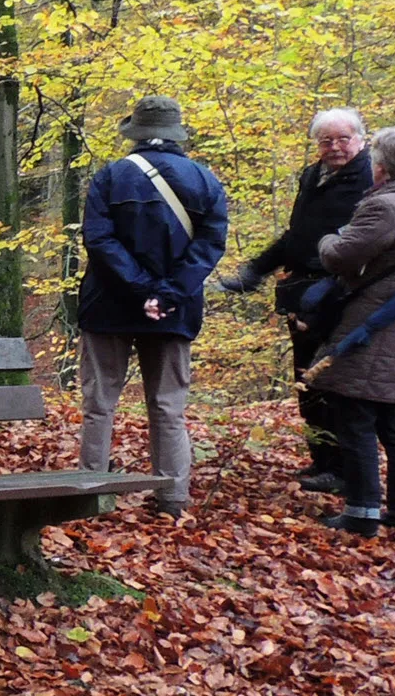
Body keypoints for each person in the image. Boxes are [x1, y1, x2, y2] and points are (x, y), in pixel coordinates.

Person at [77, 96, 229, 519]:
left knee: (99, 403)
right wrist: (165, 294)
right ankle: (173, 498)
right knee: (167, 406)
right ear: (177, 132)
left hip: (107, 305)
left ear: (135, 133)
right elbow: (209, 247)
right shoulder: (205, 181)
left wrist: (141, 289)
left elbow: (99, 240)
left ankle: (91, 490)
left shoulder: (110, 177)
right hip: (173, 312)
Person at [219, 109, 372, 492]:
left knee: (332, 381)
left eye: (342, 139)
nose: (334, 147)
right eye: (325, 140)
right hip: (302, 295)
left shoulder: (370, 180)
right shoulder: (312, 176)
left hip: (340, 295)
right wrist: (256, 269)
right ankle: (322, 461)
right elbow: (297, 236)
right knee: (307, 381)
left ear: (361, 139)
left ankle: (341, 469)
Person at [309, 124, 395, 537]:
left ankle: (363, 511)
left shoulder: (386, 208)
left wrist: (328, 238)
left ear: (384, 167)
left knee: (355, 418)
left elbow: (341, 257)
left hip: (371, 327)